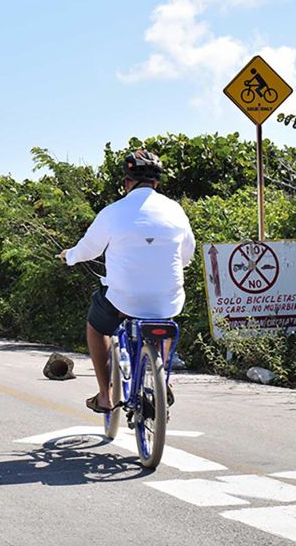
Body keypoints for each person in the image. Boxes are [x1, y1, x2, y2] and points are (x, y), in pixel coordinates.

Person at [59, 150, 195, 414]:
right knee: (164, 319)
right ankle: (161, 375)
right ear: (157, 183)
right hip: (168, 298)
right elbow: (187, 254)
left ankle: (105, 396)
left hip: (124, 299)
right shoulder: (175, 210)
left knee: (97, 327)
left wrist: (69, 256)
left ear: (126, 182)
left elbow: (87, 249)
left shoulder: (113, 212)